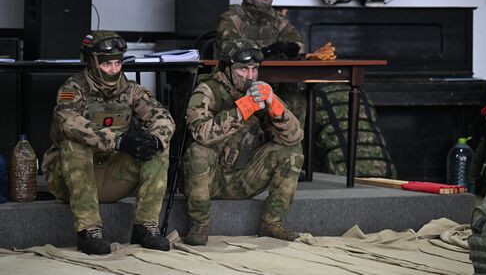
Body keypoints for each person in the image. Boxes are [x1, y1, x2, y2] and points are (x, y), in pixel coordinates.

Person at [41, 31, 175, 255]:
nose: (113, 70)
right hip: (69, 179)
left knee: (156, 146)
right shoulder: (72, 89)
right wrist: (119, 141)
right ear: (92, 63)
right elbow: (69, 122)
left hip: (113, 175)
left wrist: (155, 138)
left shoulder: (132, 91)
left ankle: (145, 226)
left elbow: (163, 116)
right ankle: (89, 231)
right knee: (75, 143)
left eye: (117, 63)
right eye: (107, 65)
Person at [182, 39, 304, 246]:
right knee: (198, 151)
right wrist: (243, 108)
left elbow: (294, 136)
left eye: (254, 70)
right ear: (228, 68)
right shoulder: (207, 91)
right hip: (211, 179)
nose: (249, 76)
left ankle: (271, 222)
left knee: (292, 151)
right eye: (243, 70)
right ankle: (199, 224)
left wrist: (274, 105)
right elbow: (200, 133)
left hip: (246, 176)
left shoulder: (261, 91)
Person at [215, 0, 307, 126]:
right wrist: (267, 51)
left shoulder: (277, 19)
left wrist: (289, 47)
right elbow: (229, 48)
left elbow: (299, 45)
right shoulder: (232, 18)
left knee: (296, 101)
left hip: (274, 84)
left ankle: (290, 146)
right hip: (238, 85)